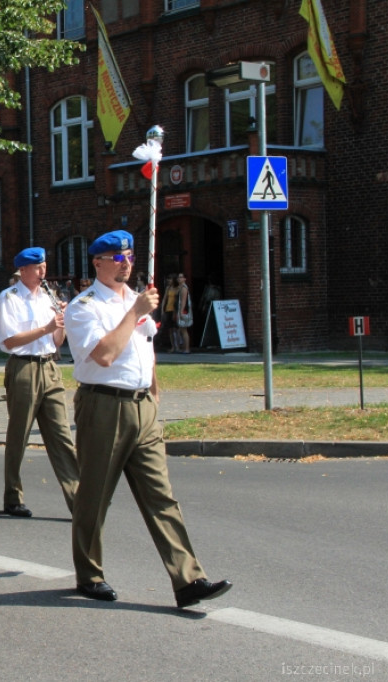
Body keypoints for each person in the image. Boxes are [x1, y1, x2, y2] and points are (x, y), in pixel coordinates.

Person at [64, 230, 232, 608]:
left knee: (161, 496)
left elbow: (147, 347)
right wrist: (135, 312)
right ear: (98, 262)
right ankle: (89, 574)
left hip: (142, 407)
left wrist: (154, 391)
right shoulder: (84, 306)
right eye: (117, 257)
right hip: (104, 405)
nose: (126, 263)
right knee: (94, 496)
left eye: (129, 256)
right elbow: (103, 355)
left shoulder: (137, 298)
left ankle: (188, 579)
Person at [0, 247, 79, 518]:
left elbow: (57, 341)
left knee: (62, 436)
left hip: (50, 365)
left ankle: (79, 500)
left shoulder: (47, 298)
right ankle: (13, 496)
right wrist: (47, 327)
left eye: (44, 266)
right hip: (24, 367)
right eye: (38, 268)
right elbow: (8, 341)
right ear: (23, 271)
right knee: (19, 434)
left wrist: (60, 322)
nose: (43, 273)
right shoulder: (9, 298)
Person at [161, 273, 181, 352]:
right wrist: (163, 309)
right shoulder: (168, 288)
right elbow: (165, 299)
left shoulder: (178, 288)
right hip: (168, 309)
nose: (168, 280)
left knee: (177, 329)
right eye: (168, 279)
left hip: (175, 310)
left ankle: (178, 346)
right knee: (170, 329)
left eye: (170, 279)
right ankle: (173, 346)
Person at [176, 273, 192, 354]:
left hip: (183, 311)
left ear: (184, 279)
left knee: (184, 330)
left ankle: (187, 349)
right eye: (178, 277)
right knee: (181, 330)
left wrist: (181, 312)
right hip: (181, 310)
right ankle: (183, 348)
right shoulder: (180, 288)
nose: (179, 279)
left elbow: (183, 301)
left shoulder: (184, 288)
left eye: (181, 277)